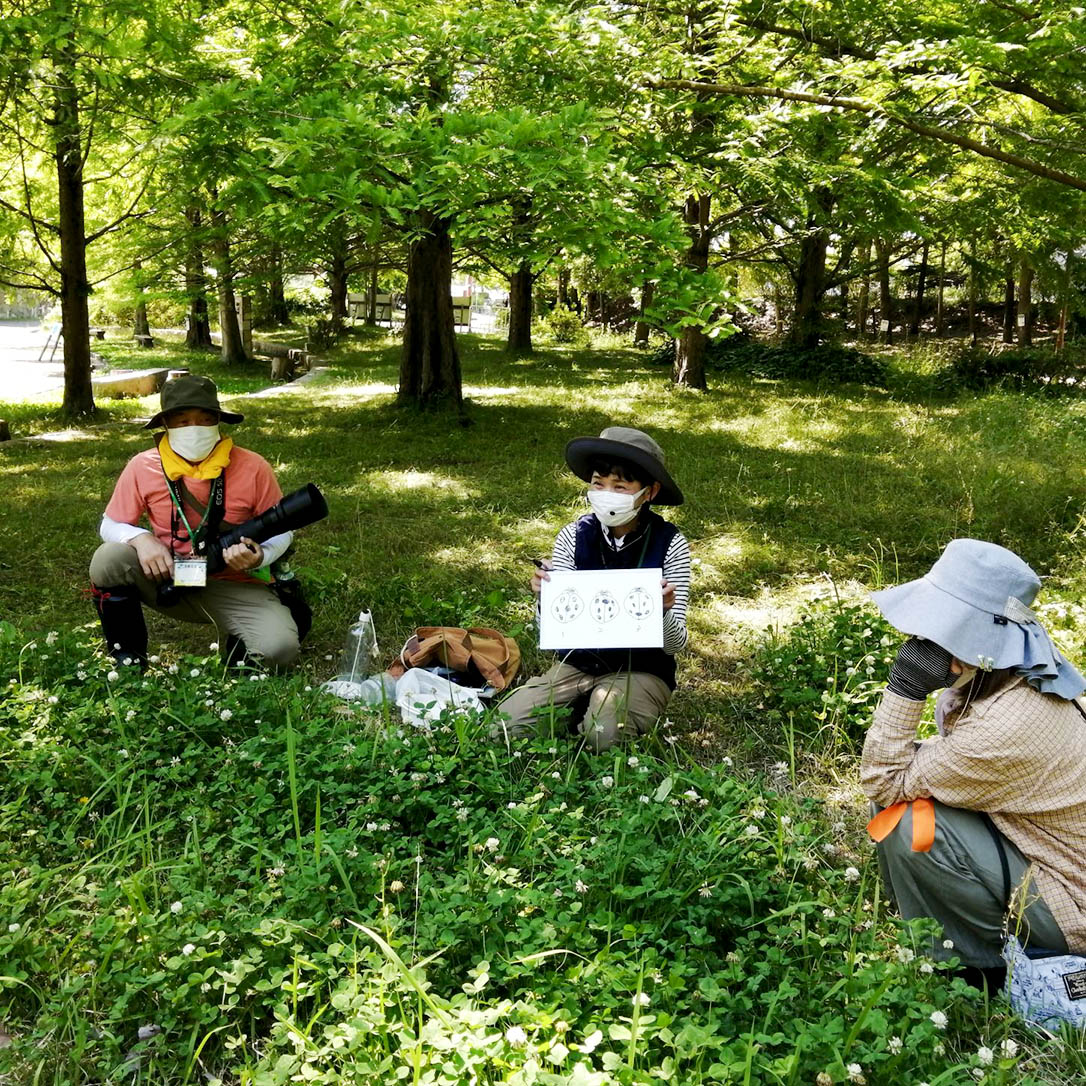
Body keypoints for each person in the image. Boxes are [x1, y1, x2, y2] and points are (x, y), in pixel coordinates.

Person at [861, 538, 1086, 978]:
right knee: (916, 796)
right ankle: (929, 918)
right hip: (1052, 855)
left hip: (1072, 904)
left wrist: (905, 685)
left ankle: (974, 970)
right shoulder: (1023, 673)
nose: (924, 638)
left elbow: (883, 779)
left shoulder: (1005, 727)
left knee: (910, 820)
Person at [496, 426, 690, 752]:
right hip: (578, 664)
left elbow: (674, 645)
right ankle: (579, 708)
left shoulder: (671, 543)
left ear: (650, 492)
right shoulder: (573, 536)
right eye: (599, 484)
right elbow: (553, 633)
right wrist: (546, 598)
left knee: (604, 735)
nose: (606, 493)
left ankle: (601, 714)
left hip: (641, 668)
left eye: (620, 486)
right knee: (505, 726)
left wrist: (665, 610)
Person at [89, 374, 301, 668]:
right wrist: (141, 538)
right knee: (109, 559)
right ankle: (127, 658)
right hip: (168, 575)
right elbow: (109, 524)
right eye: (182, 420)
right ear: (166, 424)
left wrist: (260, 556)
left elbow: (284, 531)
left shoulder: (253, 466)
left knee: (279, 649)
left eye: (204, 419)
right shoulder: (143, 465)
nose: (194, 428)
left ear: (218, 421)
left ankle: (239, 651)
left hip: (233, 582)